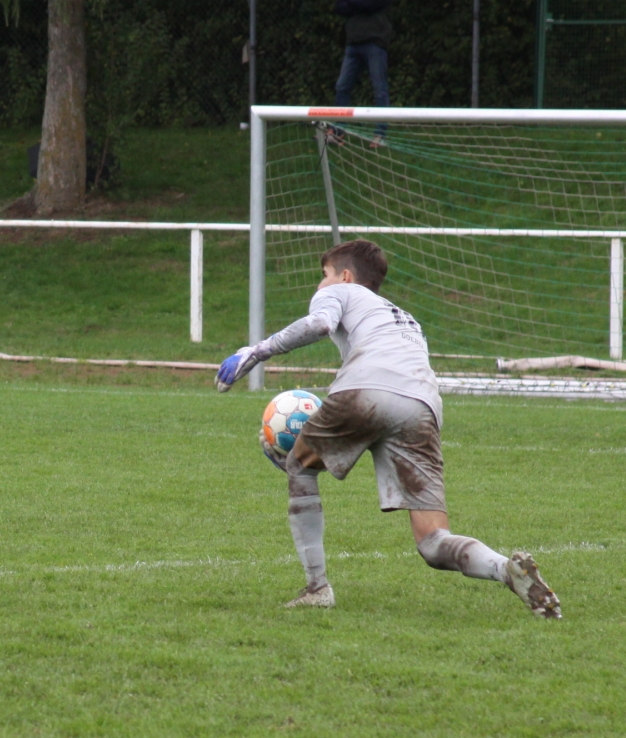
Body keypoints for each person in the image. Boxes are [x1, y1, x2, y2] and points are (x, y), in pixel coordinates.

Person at [215, 239, 561, 618]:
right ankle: (505, 570)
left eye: (324, 275)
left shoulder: (339, 292)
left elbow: (319, 323)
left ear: (345, 276)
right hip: (423, 406)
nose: (319, 284)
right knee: (433, 540)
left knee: (300, 466)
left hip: (368, 389)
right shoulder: (405, 318)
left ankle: (317, 588)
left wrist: (256, 351)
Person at [333, 0, 393, 111]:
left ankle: (381, 127)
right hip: (353, 43)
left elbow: (371, 2)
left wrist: (354, 2)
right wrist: (359, 2)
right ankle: (338, 126)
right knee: (342, 86)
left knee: (379, 89)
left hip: (374, 43)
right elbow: (339, 6)